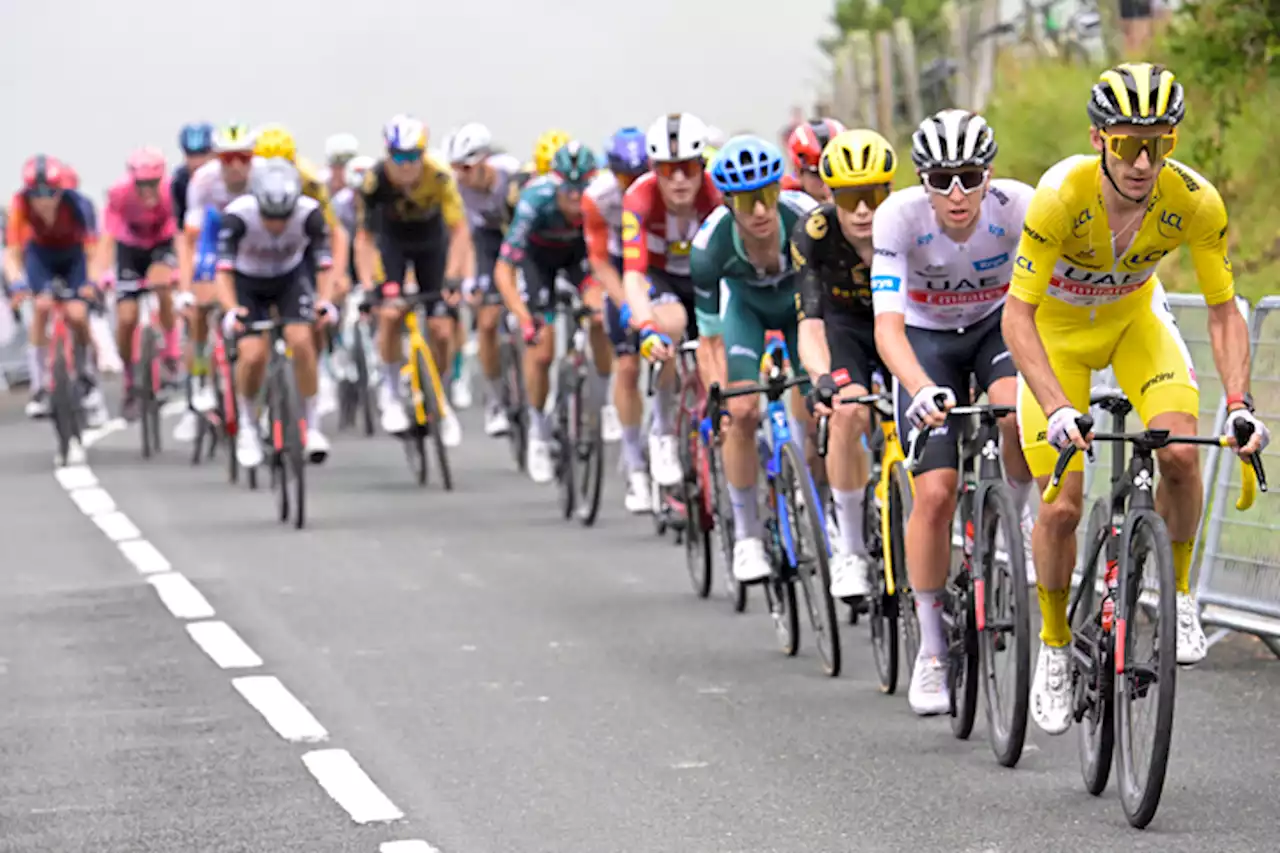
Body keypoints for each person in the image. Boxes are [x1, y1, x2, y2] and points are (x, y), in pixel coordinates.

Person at [1004, 62, 1270, 735]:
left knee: (1181, 452)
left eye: (1160, 144)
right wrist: (1058, 404)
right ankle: (1057, 643)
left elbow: (1222, 310)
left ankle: (1179, 595)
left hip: (1133, 325)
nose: (1144, 161)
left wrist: (1239, 401)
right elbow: (1017, 317)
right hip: (1056, 336)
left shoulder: (1196, 201)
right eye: (1128, 143)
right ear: (1100, 139)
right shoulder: (1059, 197)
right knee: (1060, 504)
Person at [870, 109, 1035, 715]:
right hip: (926, 338)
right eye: (942, 179)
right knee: (935, 493)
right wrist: (917, 389)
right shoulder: (898, 217)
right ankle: (933, 648)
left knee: (1014, 413)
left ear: (990, 175)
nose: (957, 193)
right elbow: (887, 329)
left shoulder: (1020, 206)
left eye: (969, 176)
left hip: (997, 327)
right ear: (923, 181)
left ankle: (1012, 523)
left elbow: (1043, 303)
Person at [692, 135, 817, 583]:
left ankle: (822, 504)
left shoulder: (805, 217)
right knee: (742, 412)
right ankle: (746, 536)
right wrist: (719, 395)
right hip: (745, 311)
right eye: (748, 202)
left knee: (822, 402)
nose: (761, 211)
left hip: (801, 306)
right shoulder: (709, 248)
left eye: (766, 196)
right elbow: (709, 341)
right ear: (728, 203)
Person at [794, 129, 895, 600]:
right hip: (847, 330)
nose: (862, 211)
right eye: (849, 198)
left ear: (889, 193)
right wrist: (820, 381)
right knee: (848, 411)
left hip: (903, 324)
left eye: (872, 196)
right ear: (831, 196)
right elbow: (810, 323)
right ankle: (851, 550)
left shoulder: (911, 223)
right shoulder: (814, 234)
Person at [354, 114, 473, 445]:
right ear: (387, 155)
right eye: (399, 158)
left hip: (431, 244)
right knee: (391, 312)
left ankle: (441, 396)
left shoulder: (439, 175)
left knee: (442, 329)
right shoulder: (374, 182)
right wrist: (368, 286)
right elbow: (364, 239)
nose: (406, 167)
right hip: (393, 243)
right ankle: (391, 392)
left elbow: (460, 232)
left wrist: (453, 277)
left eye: (413, 157)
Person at [492, 141, 606, 483]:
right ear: (556, 183)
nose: (575, 197)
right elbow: (504, 270)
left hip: (579, 258)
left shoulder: (599, 201)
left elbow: (609, 263)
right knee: (540, 349)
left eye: (582, 188)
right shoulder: (534, 201)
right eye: (568, 189)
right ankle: (539, 432)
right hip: (537, 262)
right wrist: (525, 320)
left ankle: (601, 396)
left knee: (600, 315)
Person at [622, 112, 721, 491]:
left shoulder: (716, 194)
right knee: (671, 325)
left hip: (705, 276)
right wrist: (646, 326)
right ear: (654, 171)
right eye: (667, 170)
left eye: (688, 169)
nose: (679, 180)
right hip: (661, 277)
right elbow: (633, 273)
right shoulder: (639, 197)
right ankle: (662, 430)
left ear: (701, 167)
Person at [217, 158, 335, 466]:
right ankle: (248, 426)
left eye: (284, 216)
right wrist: (231, 310)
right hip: (247, 283)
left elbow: (324, 267)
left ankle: (312, 427)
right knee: (253, 355)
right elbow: (223, 273)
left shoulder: (310, 214)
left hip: (288, 279)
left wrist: (324, 301)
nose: (277, 225)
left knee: (302, 340)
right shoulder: (237, 218)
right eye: (269, 216)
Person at [4, 155, 106, 434]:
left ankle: (88, 380)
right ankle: (39, 387)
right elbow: (13, 253)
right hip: (41, 256)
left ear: (61, 191)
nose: (43, 200)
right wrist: (16, 284)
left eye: (50, 192)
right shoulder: (20, 205)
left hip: (75, 256)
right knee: (42, 307)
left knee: (77, 313)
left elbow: (94, 251)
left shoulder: (79, 205)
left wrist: (92, 283)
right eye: (36, 193)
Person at [175, 120, 256, 443]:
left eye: (243, 158)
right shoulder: (203, 181)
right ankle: (200, 381)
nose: (235, 165)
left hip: (251, 240)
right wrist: (186, 288)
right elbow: (189, 239)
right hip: (214, 237)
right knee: (200, 307)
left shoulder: (263, 177)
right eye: (227, 158)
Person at [584, 125, 651, 511]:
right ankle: (634, 462)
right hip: (618, 267)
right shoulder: (599, 197)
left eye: (638, 172)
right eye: (623, 175)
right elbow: (597, 259)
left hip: (656, 265)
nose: (631, 183)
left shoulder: (658, 190)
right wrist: (625, 300)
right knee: (627, 366)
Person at [445, 122, 525, 437]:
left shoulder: (512, 177)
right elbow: (465, 237)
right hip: (488, 240)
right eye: (455, 169)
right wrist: (466, 281)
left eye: (466, 167)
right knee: (488, 320)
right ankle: (495, 398)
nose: (460, 175)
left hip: (519, 237)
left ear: (484, 162)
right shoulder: (458, 190)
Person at [98, 147, 181, 421]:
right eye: (141, 184)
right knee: (126, 317)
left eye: (152, 183)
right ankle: (130, 380)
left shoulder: (171, 193)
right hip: (130, 250)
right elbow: (108, 238)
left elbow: (180, 234)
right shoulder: (119, 194)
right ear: (132, 181)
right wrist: (103, 273)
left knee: (161, 283)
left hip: (160, 244)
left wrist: (178, 270)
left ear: (161, 179)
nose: (147, 190)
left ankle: (170, 353)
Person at [783, 118, 846, 200]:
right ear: (798, 171)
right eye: (818, 174)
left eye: (836, 172)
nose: (827, 187)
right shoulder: (783, 202)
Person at [325, 132, 360, 197]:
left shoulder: (359, 187)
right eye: (336, 166)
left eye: (344, 166)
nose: (341, 172)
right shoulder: (321, 186)